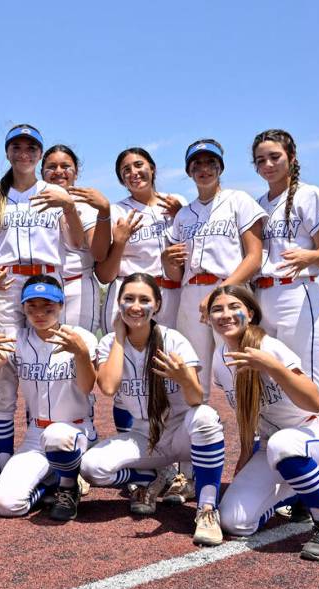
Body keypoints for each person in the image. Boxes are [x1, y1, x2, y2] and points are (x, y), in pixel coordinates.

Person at [0, 124, 87, 470]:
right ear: (7, 153)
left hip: (47, 283)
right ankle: (5, 462)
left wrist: (69, 206)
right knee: (1, 375)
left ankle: (55, 457)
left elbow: (78, 243)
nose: (24, 153)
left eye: (31, 147)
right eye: (16, 147)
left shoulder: (54, 192)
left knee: (49, 369)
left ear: (39, 153)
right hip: (6, 284)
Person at [80, 273, 226, 545]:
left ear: (157, 305)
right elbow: (108, 388)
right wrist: (120, 338)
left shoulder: (174, 340)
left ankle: (207, 508)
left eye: (144, 299)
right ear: (119, 304)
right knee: (91, 467)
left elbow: (196, 398)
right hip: (144, 436)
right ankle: (156, 474)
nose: (136, 306)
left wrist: (183, 376)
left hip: (181, 432)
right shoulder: (110, 343)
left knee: (206, 417)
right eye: (129, 299)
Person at [208, 285, 319, 561]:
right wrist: (244, 456)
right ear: (209, 318)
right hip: (270, 448)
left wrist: (271, 366)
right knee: (235, 521)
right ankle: (297, 496)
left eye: (233, 307)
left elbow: (314, 402)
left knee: (283, 444)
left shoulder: (270, 347)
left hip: (316, 436)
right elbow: (246, 414)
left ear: (249, 313)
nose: (225, 314)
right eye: (217, 309)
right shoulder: (218, 358)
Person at [97, 146, 190, 500]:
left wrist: (184, 213)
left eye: (139, 165)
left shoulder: (174, 204)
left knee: (168, 378)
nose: (133, 172)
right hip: (127, 295)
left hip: (165, 295)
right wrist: (118, 242)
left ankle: (178, 467)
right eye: (125, 169)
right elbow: (105, 272)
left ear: (152, 168)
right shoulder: (119, 211)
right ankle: (141, 467)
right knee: (128, 382)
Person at [0, 276, 98, 521]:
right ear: (23, 308)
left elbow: (87, 386)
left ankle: (68, 484)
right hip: (36, 435)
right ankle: (50, 487)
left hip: (76, 431)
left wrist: (81, 354)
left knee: (58, 435)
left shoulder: (80, 337)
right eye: (32, 306)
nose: (39, 313)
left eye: (48, 306)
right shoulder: (18, 339)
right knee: (4, 505)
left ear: (61, 305)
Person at [163, 139, 265, 399]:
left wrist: (219, 293)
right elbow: (176, 274)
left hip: (229, 292)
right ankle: (200, 433)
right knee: (192, 368)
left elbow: (254, 258)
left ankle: (252, 436)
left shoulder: (238, 200)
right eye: (197, 163)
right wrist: (168, 262)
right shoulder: (183, 215)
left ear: (221, 167)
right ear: (188, 171)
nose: (204, 168)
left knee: (236, 367)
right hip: (191, 294)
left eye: (211, 162)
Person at [251, 129, 319, 394]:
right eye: (260, 160)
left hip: (296, 294)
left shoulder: (309, 195)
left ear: (292, 157)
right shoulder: (258, 204)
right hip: (261, 296)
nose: (268, 165)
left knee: (304, 381)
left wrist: (309, 256)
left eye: (274, 157)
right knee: (268, 384)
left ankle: (316, 434)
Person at [39, 145, 106, 333]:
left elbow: (96, 251)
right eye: (51, 167)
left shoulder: (87, 202)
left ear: (76, 172)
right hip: (43, 285)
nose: (58, 171)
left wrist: (70, 208)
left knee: (78, 346)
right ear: (42, 172)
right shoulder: (33, 201)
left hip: (78, 285)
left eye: (65, 166)